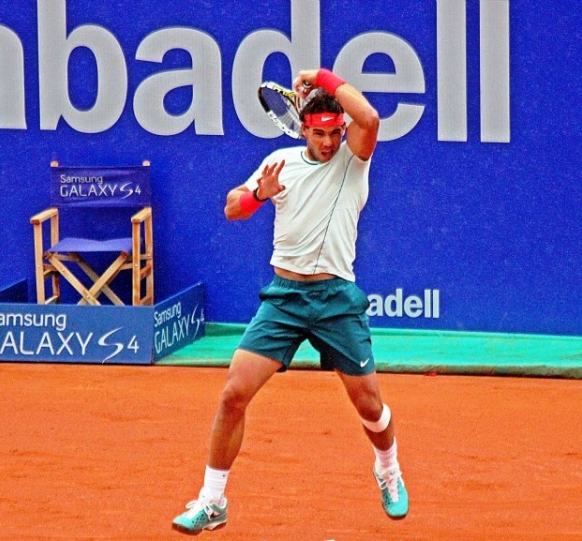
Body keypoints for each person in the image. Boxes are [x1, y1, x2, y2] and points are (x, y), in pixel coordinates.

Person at [172, 67, 409, 535]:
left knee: (370, 407)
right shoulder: (279, 162)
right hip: (284, 299)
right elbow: (232, 207)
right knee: (233, 394)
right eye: (320, 134)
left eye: (335, 133)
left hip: (337, 299)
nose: (328, 142)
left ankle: (388, 469)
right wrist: (260, 193)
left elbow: (372, 117)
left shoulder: (353, 161)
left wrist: (320, 74)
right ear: (304, 129)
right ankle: (212, 500)